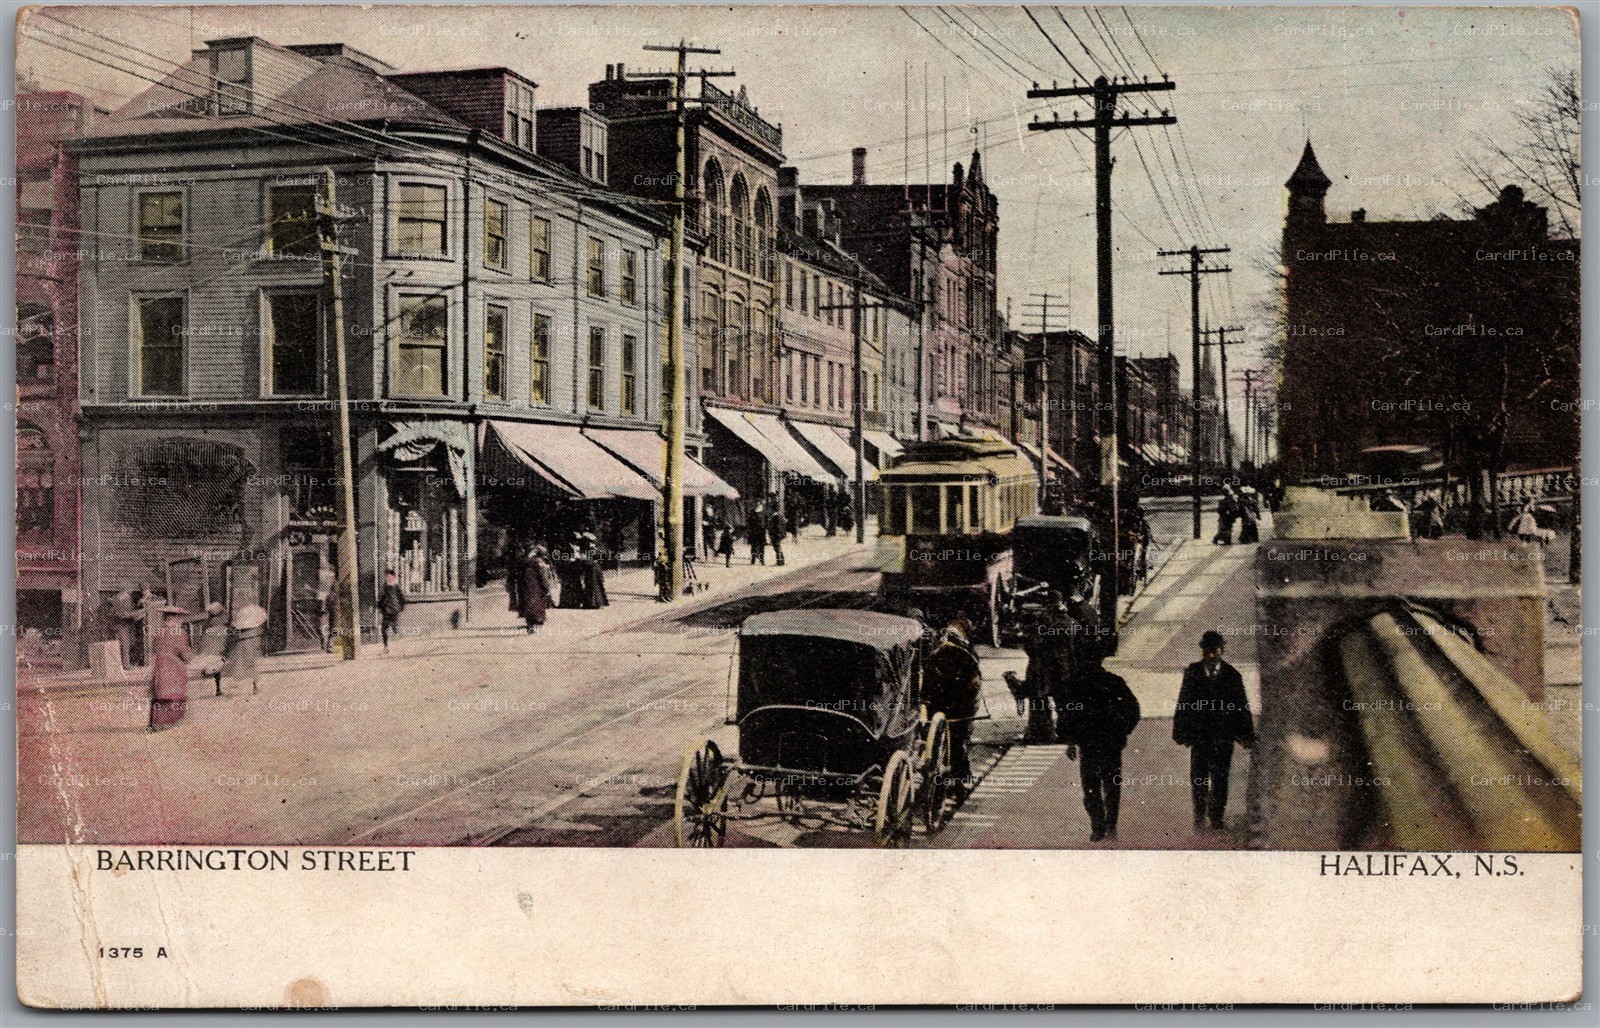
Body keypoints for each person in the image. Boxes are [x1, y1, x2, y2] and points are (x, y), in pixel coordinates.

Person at [1172, 630, 1255, 831]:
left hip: (1223, 736)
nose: (1210, 655)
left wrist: (1246, 735)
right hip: (1200, 736)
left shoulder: (1232, 675)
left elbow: (1241, 706)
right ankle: (1199, 814)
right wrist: (1181, 731)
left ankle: (1216, 816)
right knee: (1199, 777)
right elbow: (1184, 702)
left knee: (1220, 778)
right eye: (1206, 651)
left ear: (1222, 651)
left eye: (1215, 651)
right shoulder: (1192, 672)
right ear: (1201, 651)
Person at [1059, 642, 1141, 842]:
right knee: (1111, 786)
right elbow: (1133, 710)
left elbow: (1067, 715)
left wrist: (1070, 742)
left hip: (1089, 744)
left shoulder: (1074, 684)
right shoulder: (1114, 682)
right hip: (1110, 744)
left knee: (1091, 787)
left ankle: (1098, 825)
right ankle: (1110, 823)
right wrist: (1122, 732)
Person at [923, 613, 984, 793]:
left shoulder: (940, 653)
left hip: (946, 706)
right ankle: (960, 781)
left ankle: (953, 781)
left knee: (948, 745)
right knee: (958, 745)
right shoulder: (966, 656)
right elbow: (974, 685)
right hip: (956, 708)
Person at [148, 606, 192, 731]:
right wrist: (189, 657)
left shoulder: (158, 632)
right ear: (176, 618)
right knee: (173, 693)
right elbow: (184, 654)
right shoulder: (179, 633)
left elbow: (154, 649)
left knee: (160, 692)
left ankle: (156, 722)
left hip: (160, 664)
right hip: (173, 665)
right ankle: (170, 721)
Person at [194, 601, 231, 697]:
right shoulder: (222, 623)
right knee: (218, 663)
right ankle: (218, 687)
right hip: (218, 648)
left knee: (215, 664)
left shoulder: (208, 626)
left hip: (212, 648)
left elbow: (204, 641)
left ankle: (217, 687)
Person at [517, 546, 554, 631]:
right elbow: (543, 578)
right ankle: (536, 625)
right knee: (538, 605)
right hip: (537, 588)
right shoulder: (539, 563)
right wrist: (547, 588)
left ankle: (530, 624)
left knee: (529, 604)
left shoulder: (524, 562)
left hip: (526, 587)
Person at [379, 570, 407, 648]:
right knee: (384, 629)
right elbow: (382, 598)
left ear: (393, 577)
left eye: (390, 577)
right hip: (386, 611)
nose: (388, 578)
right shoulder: (385, 586)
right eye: (387, 577)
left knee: (394, 627)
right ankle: (386, 646)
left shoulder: (396, 586)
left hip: (394, 610)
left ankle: (397, 644)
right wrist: (379, 606)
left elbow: (402, 598)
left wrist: (400, 607)